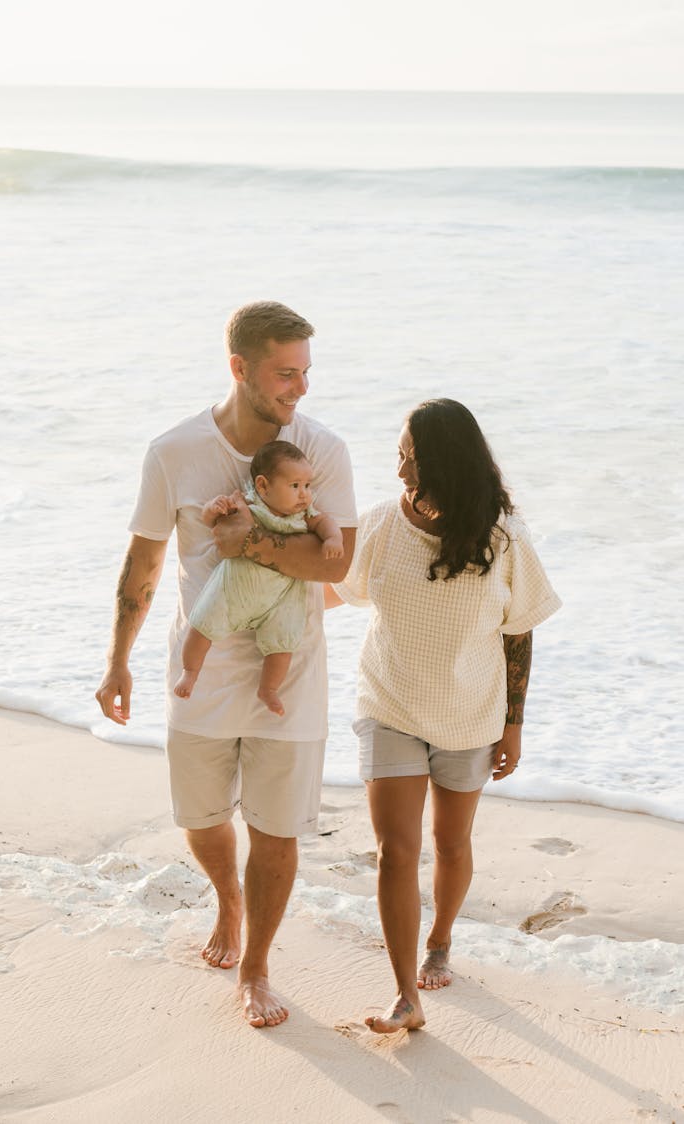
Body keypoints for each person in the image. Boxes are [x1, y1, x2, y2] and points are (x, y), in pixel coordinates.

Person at [95, 301, 357, 1028]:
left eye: (305, 373)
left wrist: (250, 547)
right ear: (239, 368)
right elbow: (144, 560)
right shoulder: (175, 452)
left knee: (276, 831)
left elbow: (341, 556)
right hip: (200, 670)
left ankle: (257, 966)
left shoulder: (323, 451)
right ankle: (228, 899)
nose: (299, 389)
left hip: (289, 675)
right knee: (203, 818)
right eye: (284, 374)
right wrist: (117, 660)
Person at [326, 398, 560, 1034]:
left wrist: (514, 723)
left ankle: (441, 940)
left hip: (470, 716)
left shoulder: (504, 539)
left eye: (410, 458)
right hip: (390, 704)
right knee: (395, 852)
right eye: (400, 455)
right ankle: (406, 995)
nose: (399, 469)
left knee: (450, 844)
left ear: (445, 464)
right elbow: (331, 589)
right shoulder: (380, 524)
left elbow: (520, 633)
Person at [174, 439, 344, 716]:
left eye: (307, 486)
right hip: (236, 588)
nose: (304, 494)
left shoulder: (305, 513)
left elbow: (325, 523)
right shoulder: (248, 502)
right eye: (294, 486)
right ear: (263, 486)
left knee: (282, 643)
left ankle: (269, 689)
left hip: (282, 596)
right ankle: (190, 671)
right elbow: (210, 521)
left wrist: (333, 539)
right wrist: (212, 509)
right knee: (202, 623)